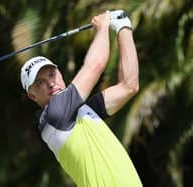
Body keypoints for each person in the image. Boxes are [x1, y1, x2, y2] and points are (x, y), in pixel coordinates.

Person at [20, 10, 142, 187]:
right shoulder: (55, 114)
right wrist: (103, 27)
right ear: (32, 96)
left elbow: (129, 86)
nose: (50, 83)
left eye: (52, 74)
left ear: (60, 73)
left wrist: (123, 26)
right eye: (39, 82)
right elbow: (96, 64)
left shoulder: (83, 111)